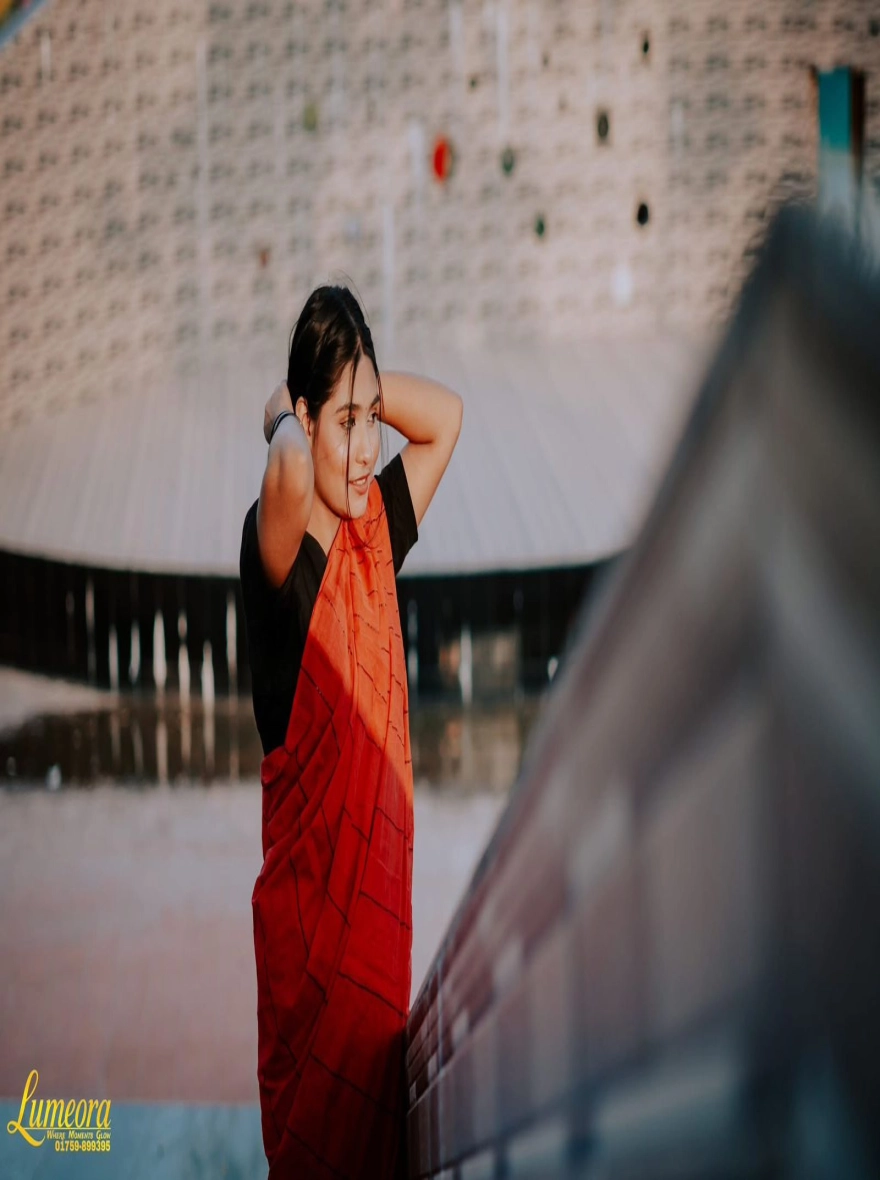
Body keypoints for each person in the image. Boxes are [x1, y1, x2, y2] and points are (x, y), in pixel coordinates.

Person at [239, 285, 462, 1179]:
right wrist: (282, 415)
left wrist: (358, 388)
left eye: (372, 420)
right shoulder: (281, 556)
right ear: (304, 420)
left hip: (370, 951)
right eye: (346, 423)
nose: (368, 447)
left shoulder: (376, 535)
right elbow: (292, 471)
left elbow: (444, 420)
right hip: (307, 951)